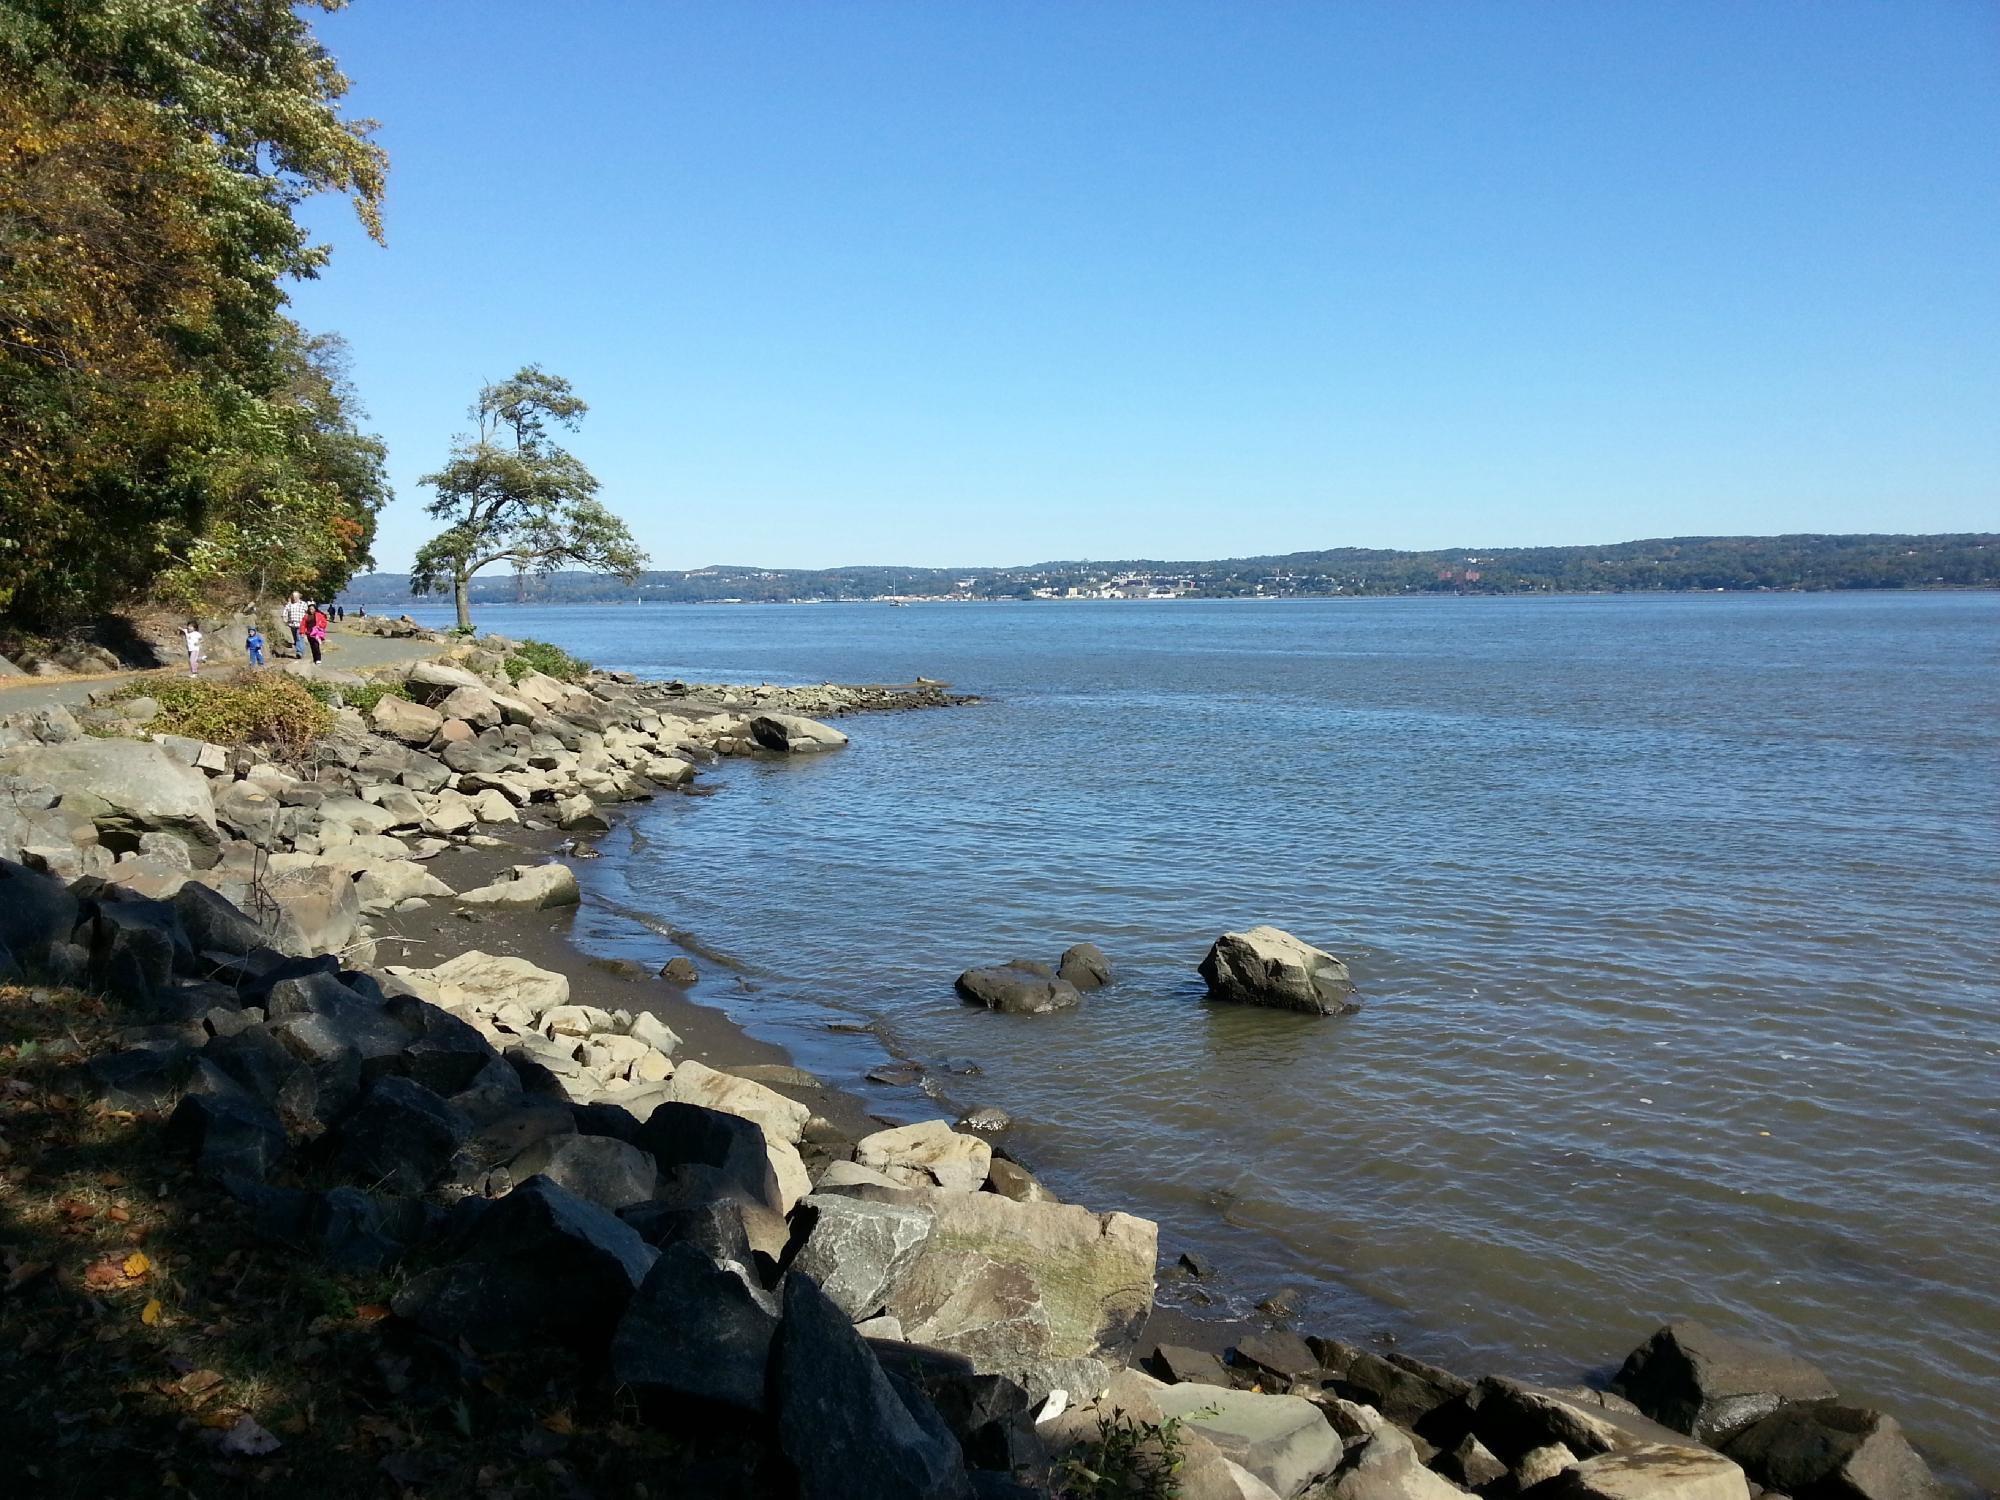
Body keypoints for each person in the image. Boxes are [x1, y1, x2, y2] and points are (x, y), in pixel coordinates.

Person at [281, 591, 308, 656]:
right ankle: (300, 650)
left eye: (296, 596)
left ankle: (299, 652)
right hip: (292, 624)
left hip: (301, 624)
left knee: (299, 637)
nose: (295, 598)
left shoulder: (303, 604)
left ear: (299, 597)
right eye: (293, 596)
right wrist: (284, 619)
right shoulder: (289, 604)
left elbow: (308, 613)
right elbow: (285, 613)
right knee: (295, 639)